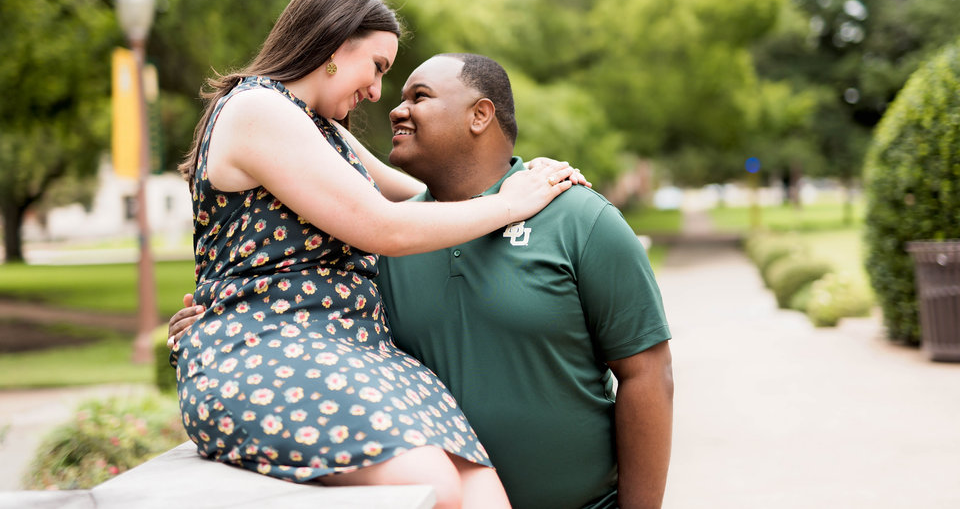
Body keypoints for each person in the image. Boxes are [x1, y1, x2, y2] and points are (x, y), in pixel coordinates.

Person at [172, 51, 674, 509]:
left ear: (480, 115)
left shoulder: (579, 220)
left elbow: (648, 375)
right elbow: (314, 312)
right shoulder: (383, 245)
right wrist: (218, 321)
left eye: (420, 96)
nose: (394, 108)